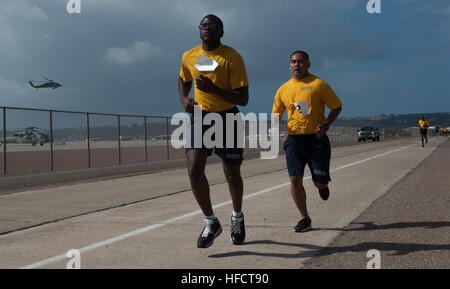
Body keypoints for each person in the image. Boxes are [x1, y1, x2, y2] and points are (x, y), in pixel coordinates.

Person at [178, 15, 249, 248]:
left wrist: (214, 89)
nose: (207, 28)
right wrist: (183, 98)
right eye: (203, 26)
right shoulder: (189, 55)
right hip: (200, 117)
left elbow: (243, 98)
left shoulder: (232, 57)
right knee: (194, 168)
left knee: (232, 174)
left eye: (213, 26)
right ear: (199, 31)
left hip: (228, 116)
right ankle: (211, 222)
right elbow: (182, 78)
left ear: (222, 31)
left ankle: (237, 216)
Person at [272, 51, 342, 232]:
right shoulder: (283, 89)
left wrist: (325, 125)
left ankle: (322, 185)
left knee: (319, 182)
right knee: (295, 179)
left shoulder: (319, 85)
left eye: (301, 62)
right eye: (293, 62)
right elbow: (276, 114)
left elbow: (336, 106)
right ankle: (305, 218)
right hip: (294, 140)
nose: (297, 65)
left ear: (308, 64)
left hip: (316, 140)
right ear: (289, 65)